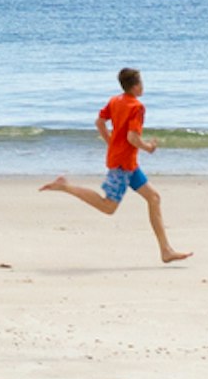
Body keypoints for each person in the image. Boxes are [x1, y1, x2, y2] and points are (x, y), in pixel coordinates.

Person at [41, 64, 189, 261]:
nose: (143, 86)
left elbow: (99, 122)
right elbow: (132, 138)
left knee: (154, 198)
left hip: (128, 163)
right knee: (108, 207)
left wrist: (110, 142)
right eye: (141, 83)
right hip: (122, 165)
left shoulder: (115, 101)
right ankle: (66, 186)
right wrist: (148, 147)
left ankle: (166, 250)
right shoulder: (137, 107)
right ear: (135, 86)